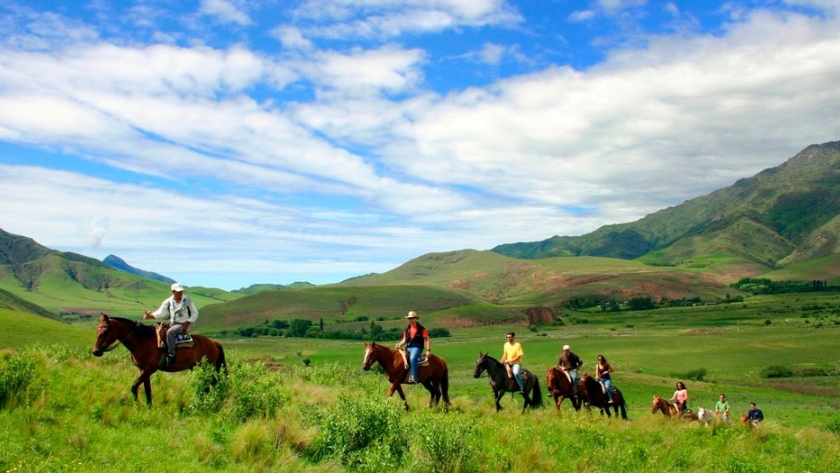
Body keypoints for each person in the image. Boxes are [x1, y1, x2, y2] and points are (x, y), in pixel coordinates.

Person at [143, 282, 199, 366]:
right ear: (173, 292)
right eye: (178, 291)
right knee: (158, 329)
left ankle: (171, 355)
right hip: (171, 323)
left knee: (170, 332)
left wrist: (187, 323)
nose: (180, 293)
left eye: (181, 291)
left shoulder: (187, 300)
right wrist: (150, 316)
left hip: (182, 324)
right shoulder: (168, 301)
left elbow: (195, 313)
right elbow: (161, 312)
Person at [394, 311, 430, 384]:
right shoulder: (406, 329)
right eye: (409, 318)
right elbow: (404, 340)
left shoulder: (422, 329)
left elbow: (427, 339)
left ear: (416, 318)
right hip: (408, 347)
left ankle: (415, 377)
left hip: (417, 348)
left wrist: (428, 350)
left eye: (412, 318)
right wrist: (399, 344)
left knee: (412, 358)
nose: (410, 319)